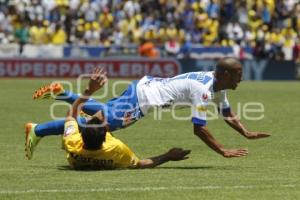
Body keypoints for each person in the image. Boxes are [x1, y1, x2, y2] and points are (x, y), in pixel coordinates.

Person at [27, 57, 270, 161]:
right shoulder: (204, 90)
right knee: (100, 126)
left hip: (142, 89)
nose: (241, 79)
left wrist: (245, 132)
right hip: (142, 100)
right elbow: (199, 129)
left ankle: (62, 94)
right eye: (238, 75)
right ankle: (38, 130)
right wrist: (223, 150)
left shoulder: (216, 85)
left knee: (103, 114)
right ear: (225, 74)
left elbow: (226, 112)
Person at [25, 68, 190, 170]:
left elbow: (71, 118)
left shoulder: (78, 143)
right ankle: (61, 96)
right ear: (106, 135)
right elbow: (73, 117)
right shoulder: (109, 148)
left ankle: (39, 129)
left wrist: (167, 156)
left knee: (107, 117)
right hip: (140, 96)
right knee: (105, 116)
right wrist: (88, 91)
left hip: (138, 99)